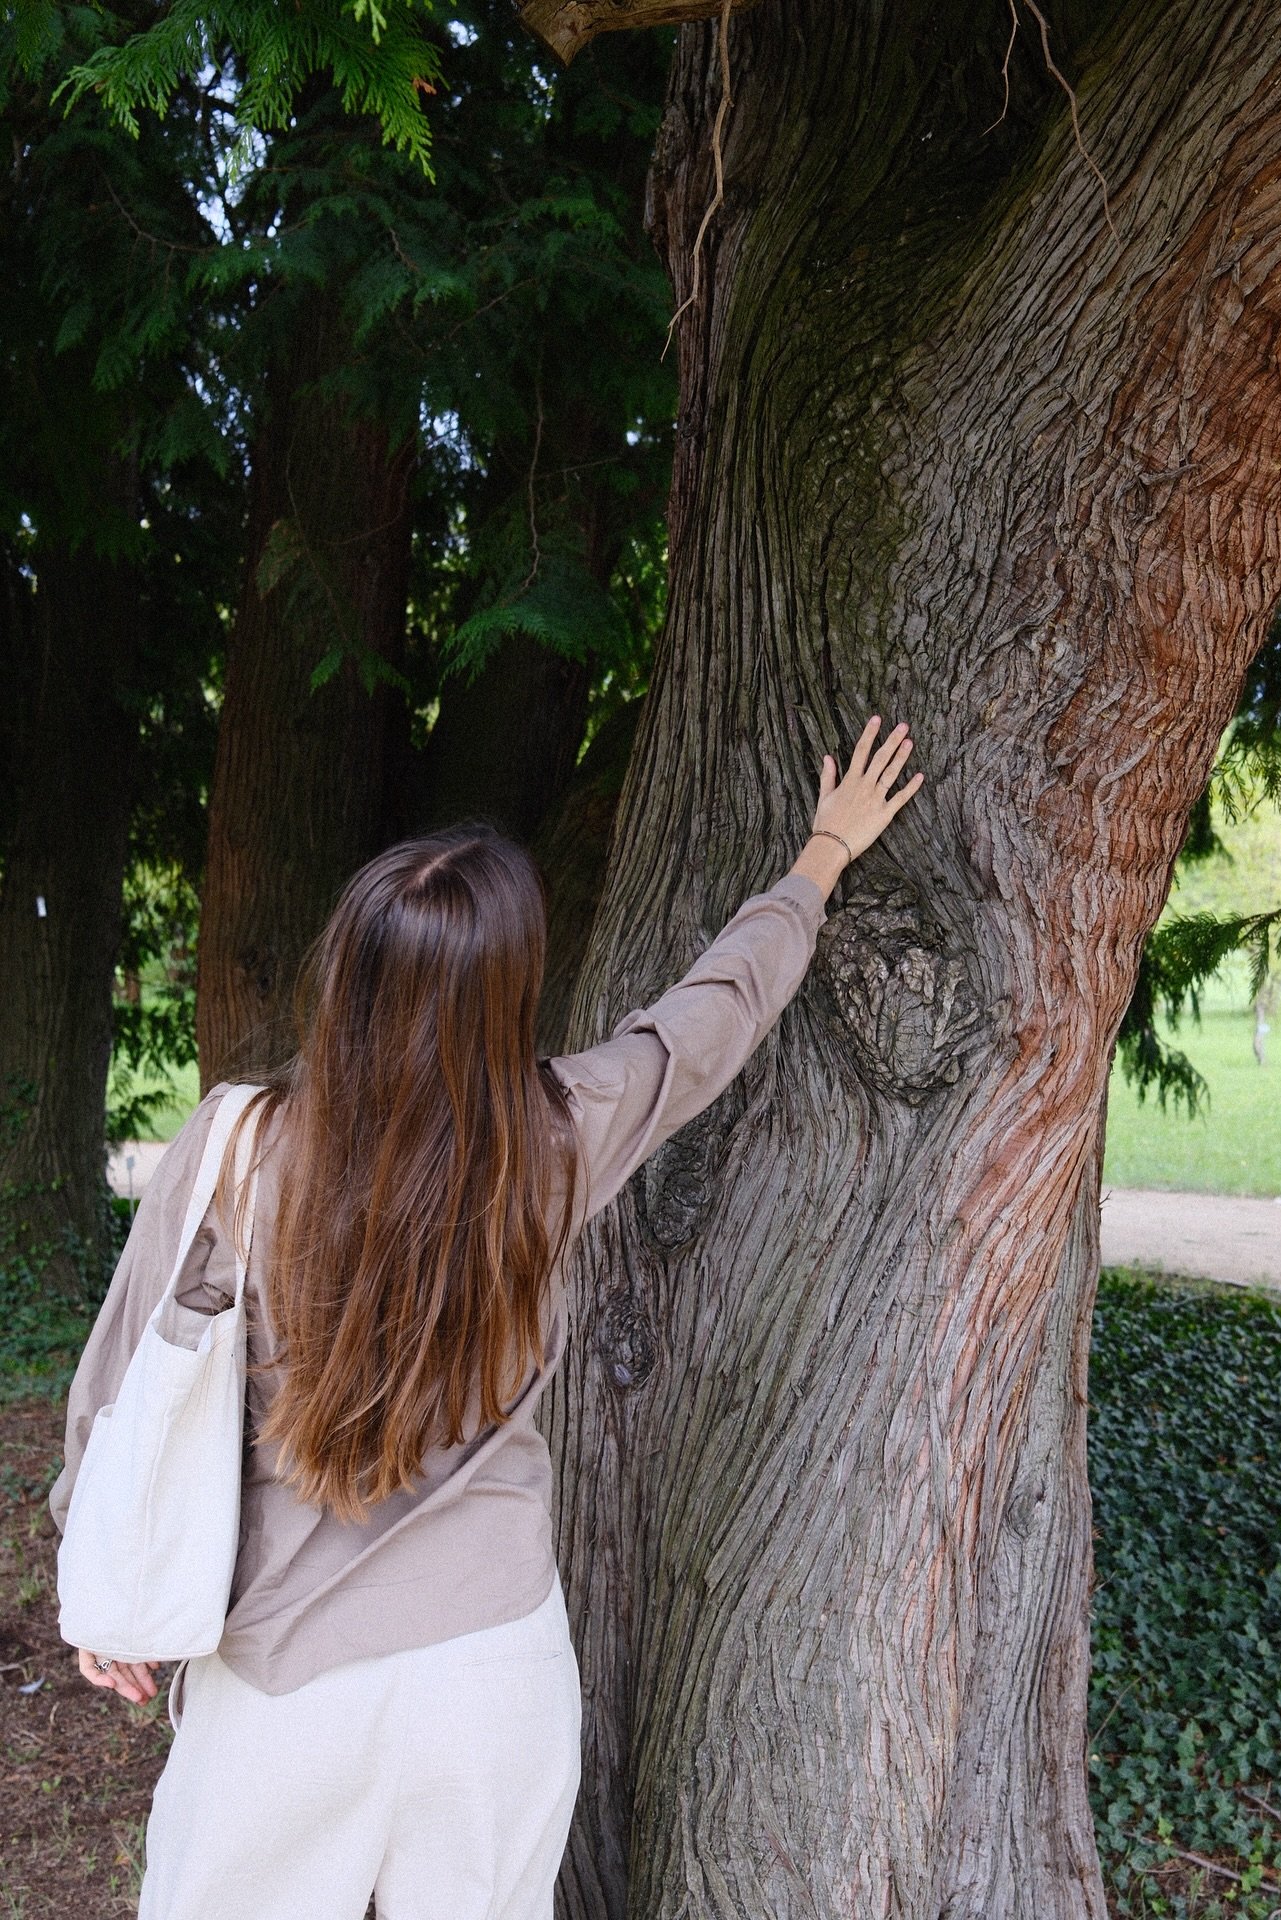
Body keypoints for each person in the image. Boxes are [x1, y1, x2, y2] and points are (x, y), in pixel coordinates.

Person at [50, 715, 923, 1920]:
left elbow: (125, 1368)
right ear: (506, 994)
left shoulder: (240, 1147)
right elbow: (704, 1022)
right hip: (495, 1672)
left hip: (285, 1688)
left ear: (343, 977)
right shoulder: (555, 1140)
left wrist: (94, 1565)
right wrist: (822, 856)